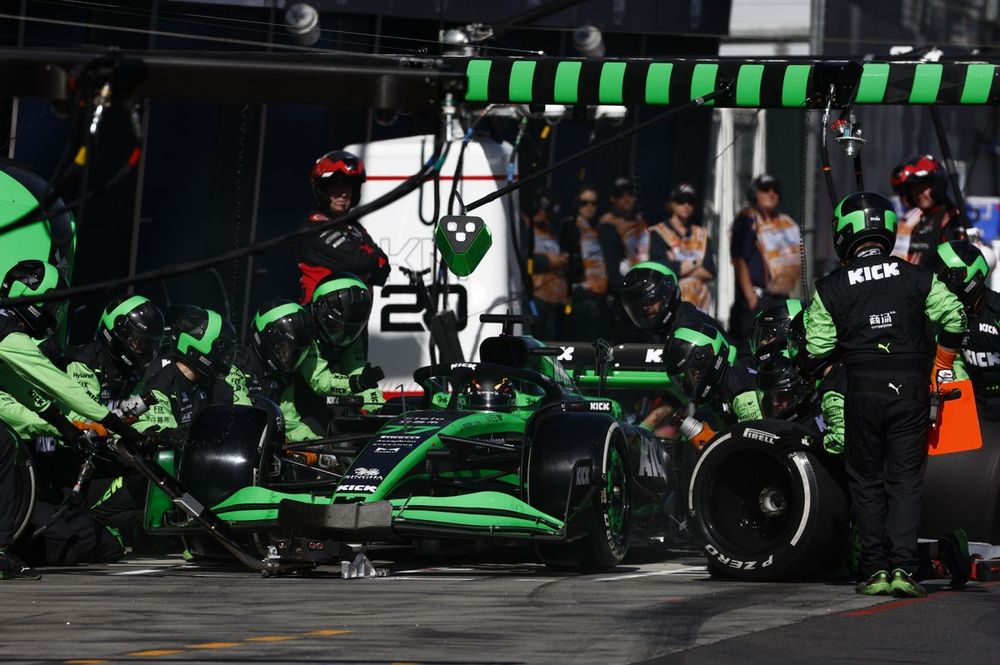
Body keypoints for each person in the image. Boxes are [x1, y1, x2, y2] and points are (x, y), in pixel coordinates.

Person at [803, 191, 966, 598]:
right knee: (906, 481)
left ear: (843, 234)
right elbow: (954, 316)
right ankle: (905, 570)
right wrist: (941, 363)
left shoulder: (831, 287)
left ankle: (875, 569)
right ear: (887, 230)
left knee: (867, 482)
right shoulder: (916, 275)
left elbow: (816, 349)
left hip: (861, 392)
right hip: (910, 392)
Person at [0, 260, 146, 580]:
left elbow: (21, 390)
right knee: (4, 446)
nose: (55, 313)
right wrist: (116, 423)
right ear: (32, 300)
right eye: (52, 304)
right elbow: (55, 383)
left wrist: (64, 427)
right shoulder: (8, 334)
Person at [641, 323, 761, 448]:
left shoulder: (741, 391)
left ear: (706, 358)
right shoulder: (720, 389)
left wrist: (711, 442)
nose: (691, 380)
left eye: (693, 372)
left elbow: (755, 448)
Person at [294, 275, 385, 435]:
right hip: (294, 400)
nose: (343, 334)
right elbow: (319, 381)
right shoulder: (303, 327)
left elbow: (356, 370)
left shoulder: (349, 333)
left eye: (351, 329)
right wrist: (358, 382)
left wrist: (379, 409)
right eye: (337, 326)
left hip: (328, 395)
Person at [297, 150, 390, 304]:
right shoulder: (313, 227)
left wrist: (370, 262)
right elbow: (358, 262)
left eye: (348, 187)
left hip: (355, 321)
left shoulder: (355, 227)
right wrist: (370, 261)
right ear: (323, 189)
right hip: (320, 322)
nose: (343, 194)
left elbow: (383, 269)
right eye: (336, 186)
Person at [729, 174, 802, 349]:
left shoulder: (785, 222)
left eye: (775, 190)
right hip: (757, 297)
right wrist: (750, 297)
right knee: (751, 348)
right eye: (765, 189)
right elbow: (739, 259)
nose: (771, 193)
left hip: (781, 295)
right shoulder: (746, 219)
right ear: (755, 193)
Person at [933, 240, 999, 415]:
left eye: (947, 277)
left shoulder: (996, 310)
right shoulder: (946, 317)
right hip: (973, 405)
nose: (941, 284)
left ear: (971, 276)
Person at [648, 183, 716, 314]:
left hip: (699, 306)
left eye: (690, 202)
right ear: (672, 203)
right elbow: (662, 268)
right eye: (681, 200)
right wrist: (696, 263)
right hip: (670, 304)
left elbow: (710, 271)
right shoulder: (658, 232)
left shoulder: (701, 234)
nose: (686, 205)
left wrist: (679, 266)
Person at [889, 154, 968, 267]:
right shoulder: (920, 218)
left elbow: (957, 264)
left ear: (937, 185)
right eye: (914, 189)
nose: (918, 194)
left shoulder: (950, 218)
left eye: (922, 187)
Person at [620, 261, 727, 343]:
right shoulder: (635, 333)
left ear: (667, 296)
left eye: (651, 300)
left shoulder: (693, 326)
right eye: (639, 305)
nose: (645, 307)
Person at [600, 177, 650, 341]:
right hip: (624, 292)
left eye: (630, 193)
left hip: (645, 288)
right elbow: (612, 265)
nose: (626, 197)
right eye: (620, 194)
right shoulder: (608, 223)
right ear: (612, 198)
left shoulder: (641, 221)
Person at [560, 184, 609, 341]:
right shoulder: (570, 225)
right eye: (584, 203)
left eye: (593, 203)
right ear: (576, 204)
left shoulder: (600, 228)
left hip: (601, 292)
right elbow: (565, 257)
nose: (589, 207)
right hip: (579, 292)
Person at [521, 191, 568, 340]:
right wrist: (548, 261)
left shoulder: (549, 227)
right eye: (539, 208)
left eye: (545, 210)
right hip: (534, 295)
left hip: (555, 298)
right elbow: (521, 258)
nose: (542, 213)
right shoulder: (522, 225)